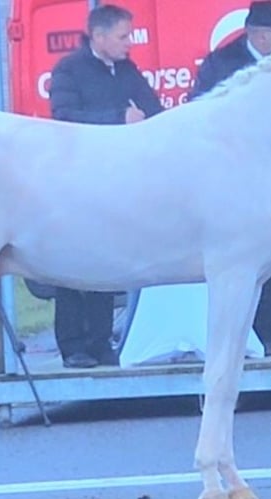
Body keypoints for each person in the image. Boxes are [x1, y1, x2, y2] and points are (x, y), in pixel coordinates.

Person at [189, 0, 271, 356]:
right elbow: (202, 108)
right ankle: (254, 333)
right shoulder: (221, 64)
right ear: (258, 35)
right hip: (234, 180)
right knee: (246, 259)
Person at [49, 4, 163, 368]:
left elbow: (152, 111)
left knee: (106, 261)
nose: (130, 43)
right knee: (70, 261)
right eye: (123, 36)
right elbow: (64, 118)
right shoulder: (69, 70)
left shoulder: (127, 71)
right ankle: (73, 345)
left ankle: (101, 342)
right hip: (77, 182)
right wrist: (118, 119)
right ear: (99, 36)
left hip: (120, 183)